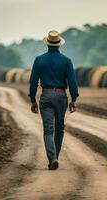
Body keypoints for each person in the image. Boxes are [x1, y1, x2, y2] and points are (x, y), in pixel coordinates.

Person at [29, 30, 79, 170]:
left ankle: (52, 158)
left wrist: (33, 99)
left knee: (48, 130)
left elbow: (33, 81)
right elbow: (72, 81)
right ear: (59, 44)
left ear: (47, 44)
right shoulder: (67, 61)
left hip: (46, 95)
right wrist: (74, 99)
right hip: (61, 96)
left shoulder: (39, 60)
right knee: (59, 129)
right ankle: (55, 157)